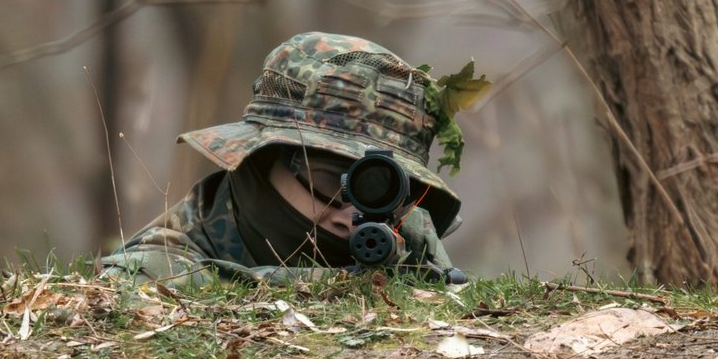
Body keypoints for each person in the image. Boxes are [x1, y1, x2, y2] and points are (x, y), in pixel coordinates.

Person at [99, 32, 468, 285]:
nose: (350, 219)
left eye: (377, 191)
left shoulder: (407, 238)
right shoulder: (150, 270)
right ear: (262, 161)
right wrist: (347, 284)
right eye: (330, 183)